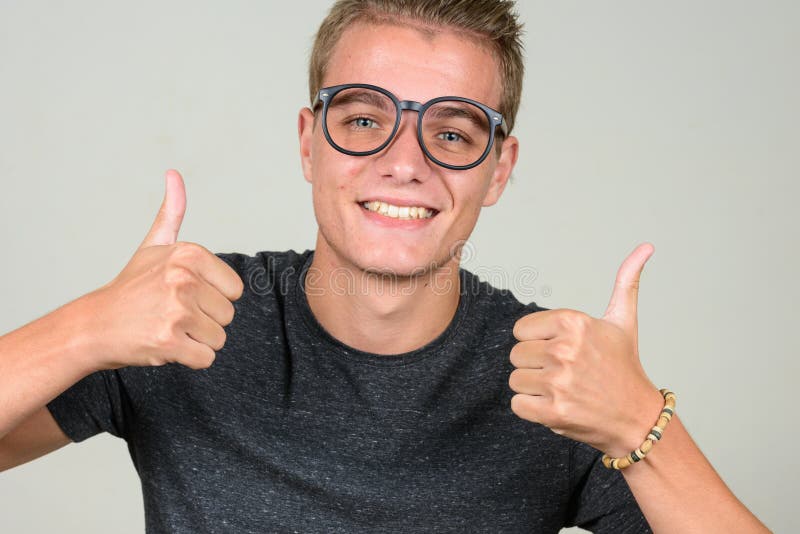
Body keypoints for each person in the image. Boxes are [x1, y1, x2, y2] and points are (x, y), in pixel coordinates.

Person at [0, 1, 770, 532]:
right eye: (364, 118)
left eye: (453, 133)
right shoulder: (191, 315)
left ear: (498, 170)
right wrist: (85, 329)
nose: (404, 163)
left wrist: (642, 424)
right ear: (309, 143)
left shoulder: (556, 378)